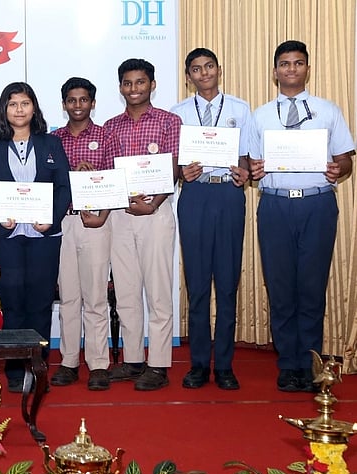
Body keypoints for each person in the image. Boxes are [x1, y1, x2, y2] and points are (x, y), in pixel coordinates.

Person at [248, 40, 355, 393]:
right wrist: (255, 169)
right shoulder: (260, 115)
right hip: (276, 205)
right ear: (274, 71)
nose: (291, 69)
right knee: (280, 287)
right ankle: (287, 364)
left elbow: (346, 161)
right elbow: (250, 164)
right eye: (284, 64)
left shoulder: (328, 110)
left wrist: (337, 168)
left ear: (307, 69)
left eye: (298, 63)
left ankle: (310, 362)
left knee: (311, 286)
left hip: (317, 205)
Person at [0, 81, 71, 393]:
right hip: (6, 235)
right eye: (13, 104)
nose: (19, 110)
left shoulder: (51, 143)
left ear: (34, 108)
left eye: (25, 103)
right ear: (5, 109)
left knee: (40, 302)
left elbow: (64, 187)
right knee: (11, 303)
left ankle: (37, 367)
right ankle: (14, 368)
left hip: (43, 237)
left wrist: (50, 219)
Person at [170, 48, 253, 391]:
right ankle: (200, 364)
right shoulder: (177, 113)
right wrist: (181, 171)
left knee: (228, 281)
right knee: (199, 284)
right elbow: (171, 166)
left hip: (229, 195)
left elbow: (248, 158)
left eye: (209, 67)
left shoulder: (239, 108)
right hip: (195, 196)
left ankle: (226, 366)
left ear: (219, 69)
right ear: (188, 76)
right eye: (196, 69)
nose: (203, 73)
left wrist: (245, 173)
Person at [103, 58, 181, 391]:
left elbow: (174, 167)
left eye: (140, 82)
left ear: (152, 84)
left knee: (159, 291)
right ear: (120, 87)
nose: (134, 88)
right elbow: (106, 174)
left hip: (156, 213)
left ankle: (159, 364)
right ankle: (133, 360)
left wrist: (153, 204)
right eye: (128, 83)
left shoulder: (169, 121)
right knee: (126, 291)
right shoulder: (110, 126)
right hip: (120, 215)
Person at [49, 77, 119, 391]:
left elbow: (118, 181)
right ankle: (68, 361)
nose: (78, 105)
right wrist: (69, 177)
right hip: (64, 222)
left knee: (95, 297)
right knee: (68, 298)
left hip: (95, 222)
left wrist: (102, 213)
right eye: (72, 100)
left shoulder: (106, 136)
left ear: (92, 102)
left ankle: (99, 364)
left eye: (83, 100)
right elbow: (46, 182)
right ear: (64, 104)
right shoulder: (52, 139)